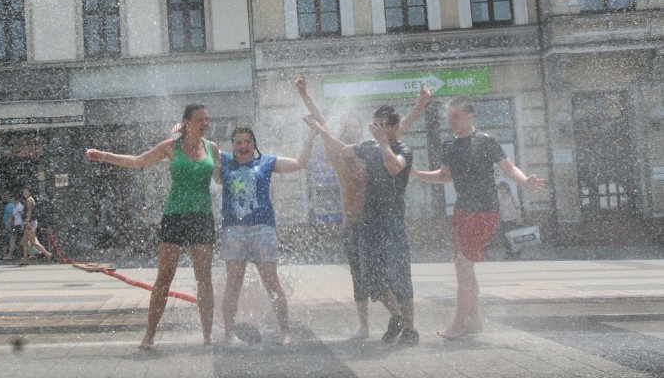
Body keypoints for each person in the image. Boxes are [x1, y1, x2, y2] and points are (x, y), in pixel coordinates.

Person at [295, 73, 429, 340]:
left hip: (385, 222)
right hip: (359, 223)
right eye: (351, 126)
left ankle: (406, 325)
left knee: (396, 276)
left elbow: (398, 133)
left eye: (359, 125)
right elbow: (330, 133)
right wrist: (305, 98)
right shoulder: (355, 151)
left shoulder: (384, 147)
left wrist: (419, 106)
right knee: (367, 279)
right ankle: (386, 320)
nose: (360, 129)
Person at [85, 103, 220, 350]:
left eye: (207, 120)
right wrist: (103, 156)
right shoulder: (170, 147)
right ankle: (149, 334)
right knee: (164, 277)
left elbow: (222, 178)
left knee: (204, 279)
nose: (205, 124)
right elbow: (138, 161)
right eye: (200, 120)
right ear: (187, 122)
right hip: (175, 216)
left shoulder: (212, 148)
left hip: (202, 217)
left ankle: (207, 334)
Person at [410, 97, 545, 340]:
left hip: (484, 210)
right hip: (462, 210)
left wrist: (525, 182)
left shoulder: (486, 141)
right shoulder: (449, 145)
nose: (451, 121)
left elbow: (508, 168)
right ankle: (475, 322)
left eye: (456, 116)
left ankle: (460, 323)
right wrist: (418, 174)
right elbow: (444, 176)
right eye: (449, 116)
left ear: (470, 115)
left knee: (463, 265)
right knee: (464, 268)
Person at [219, 125, 316, 346]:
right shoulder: (224, 161)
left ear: (254, 144)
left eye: (247, 141)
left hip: (263, 229)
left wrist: (311, 135)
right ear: (232, 146)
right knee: (233, 284)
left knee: (272, 282)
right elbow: (202, 149)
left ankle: (285, 330)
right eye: (238, 142)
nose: (243, 146)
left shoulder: (266, 162)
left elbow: (300, 163)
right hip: (233, 230)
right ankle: (228, 333)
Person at [20, 187, 52, 265]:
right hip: (32, 222)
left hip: (30, 222)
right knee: (26, 241)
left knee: (32, 242)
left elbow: (29, 211)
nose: (24, 192)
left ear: (29, 192)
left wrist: (27, 221)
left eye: (26, 191)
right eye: (23, 191)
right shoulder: (31, 199)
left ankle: (47, 254)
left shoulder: (28, 200)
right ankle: (26, 259)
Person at [496, 181, 523, 260]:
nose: (501, 191)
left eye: (502, 189)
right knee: (505, 239)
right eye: (500, 190)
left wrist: (519, 217)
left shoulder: (512, 197)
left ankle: (517, 253)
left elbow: (518, 207)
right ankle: (509, 253)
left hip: (512, 220)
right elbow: (500, 211)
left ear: (506, 189)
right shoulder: (500, 199)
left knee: (514, 237)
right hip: (503, 221)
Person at [1, 194, 16, 261]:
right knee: (8, 239)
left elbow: (10, 216)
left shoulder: (10, 205)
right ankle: (6, 254)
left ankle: (6, 254)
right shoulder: (11, 205)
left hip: (7, 225)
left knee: (6, 239)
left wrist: (10, 225)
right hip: (7, 224)